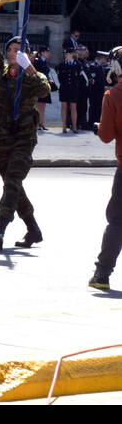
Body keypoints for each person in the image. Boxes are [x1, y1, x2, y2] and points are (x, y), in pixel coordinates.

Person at [0, 13, 50, 250]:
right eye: (11, 49)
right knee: (13, 184)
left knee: (12, 181)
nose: (13, 52)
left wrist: (29, 67)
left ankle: (0, 227)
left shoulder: (33, 75)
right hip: (2, 136)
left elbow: (45, 89)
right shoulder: (2, 71)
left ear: (27, 54)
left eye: (19, 50)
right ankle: (33, 229)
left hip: (23, 138)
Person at [89, 47, 122, 290]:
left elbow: (107, 136)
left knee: (117, 221)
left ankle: (102, 274)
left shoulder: (113, 95)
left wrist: (99, 126)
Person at [57, 49, 83, 133]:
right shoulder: (62, 64)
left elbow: (80, 77)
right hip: (64, 88)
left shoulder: (78, 64)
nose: (66, 55)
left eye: (67, 53)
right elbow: (59, 76)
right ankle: (64, 126)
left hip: (73, 88)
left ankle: (74, 126)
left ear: (72, 54)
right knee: (64, 106)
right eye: (65, 54)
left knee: (73, 107)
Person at [86, 51, 109, 130]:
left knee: (99, 107)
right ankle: (91, 123)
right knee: (93, 108)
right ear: (101, 58)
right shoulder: (93, 66)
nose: (106, 60)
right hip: (95, 91)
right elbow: (93, 79)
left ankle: (97, 123)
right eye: (105, 59)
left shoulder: (100, 66)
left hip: (100, 91)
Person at [33, 47, 54, 130]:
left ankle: (41, 123)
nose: (48, 53)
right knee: (38, 105)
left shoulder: (45, 62)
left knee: (43, 105)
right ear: (42, 53)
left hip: (45, 85)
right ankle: (37, 123)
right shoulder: (37, 61)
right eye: (47, 52)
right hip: (39, 85)